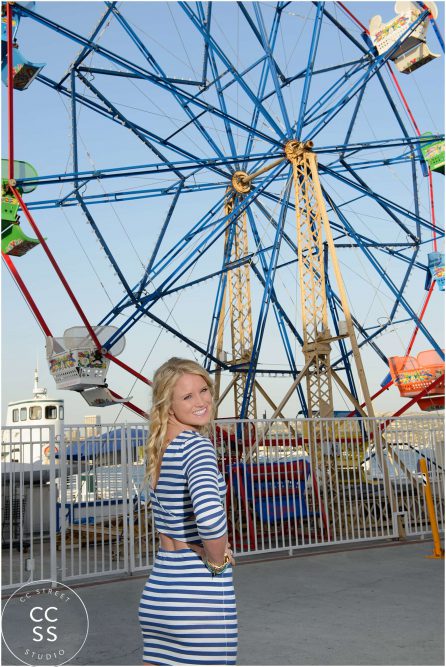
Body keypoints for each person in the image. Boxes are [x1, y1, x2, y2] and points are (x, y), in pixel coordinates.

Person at [139, 357, 238, 666]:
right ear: (168, 405)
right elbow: (209, 518)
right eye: (187, 396)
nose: (202, 401)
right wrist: (217, 561)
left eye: (204, 390)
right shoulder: (195, 446)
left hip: (159, 593)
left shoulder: (159, 450)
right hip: (197, 599)